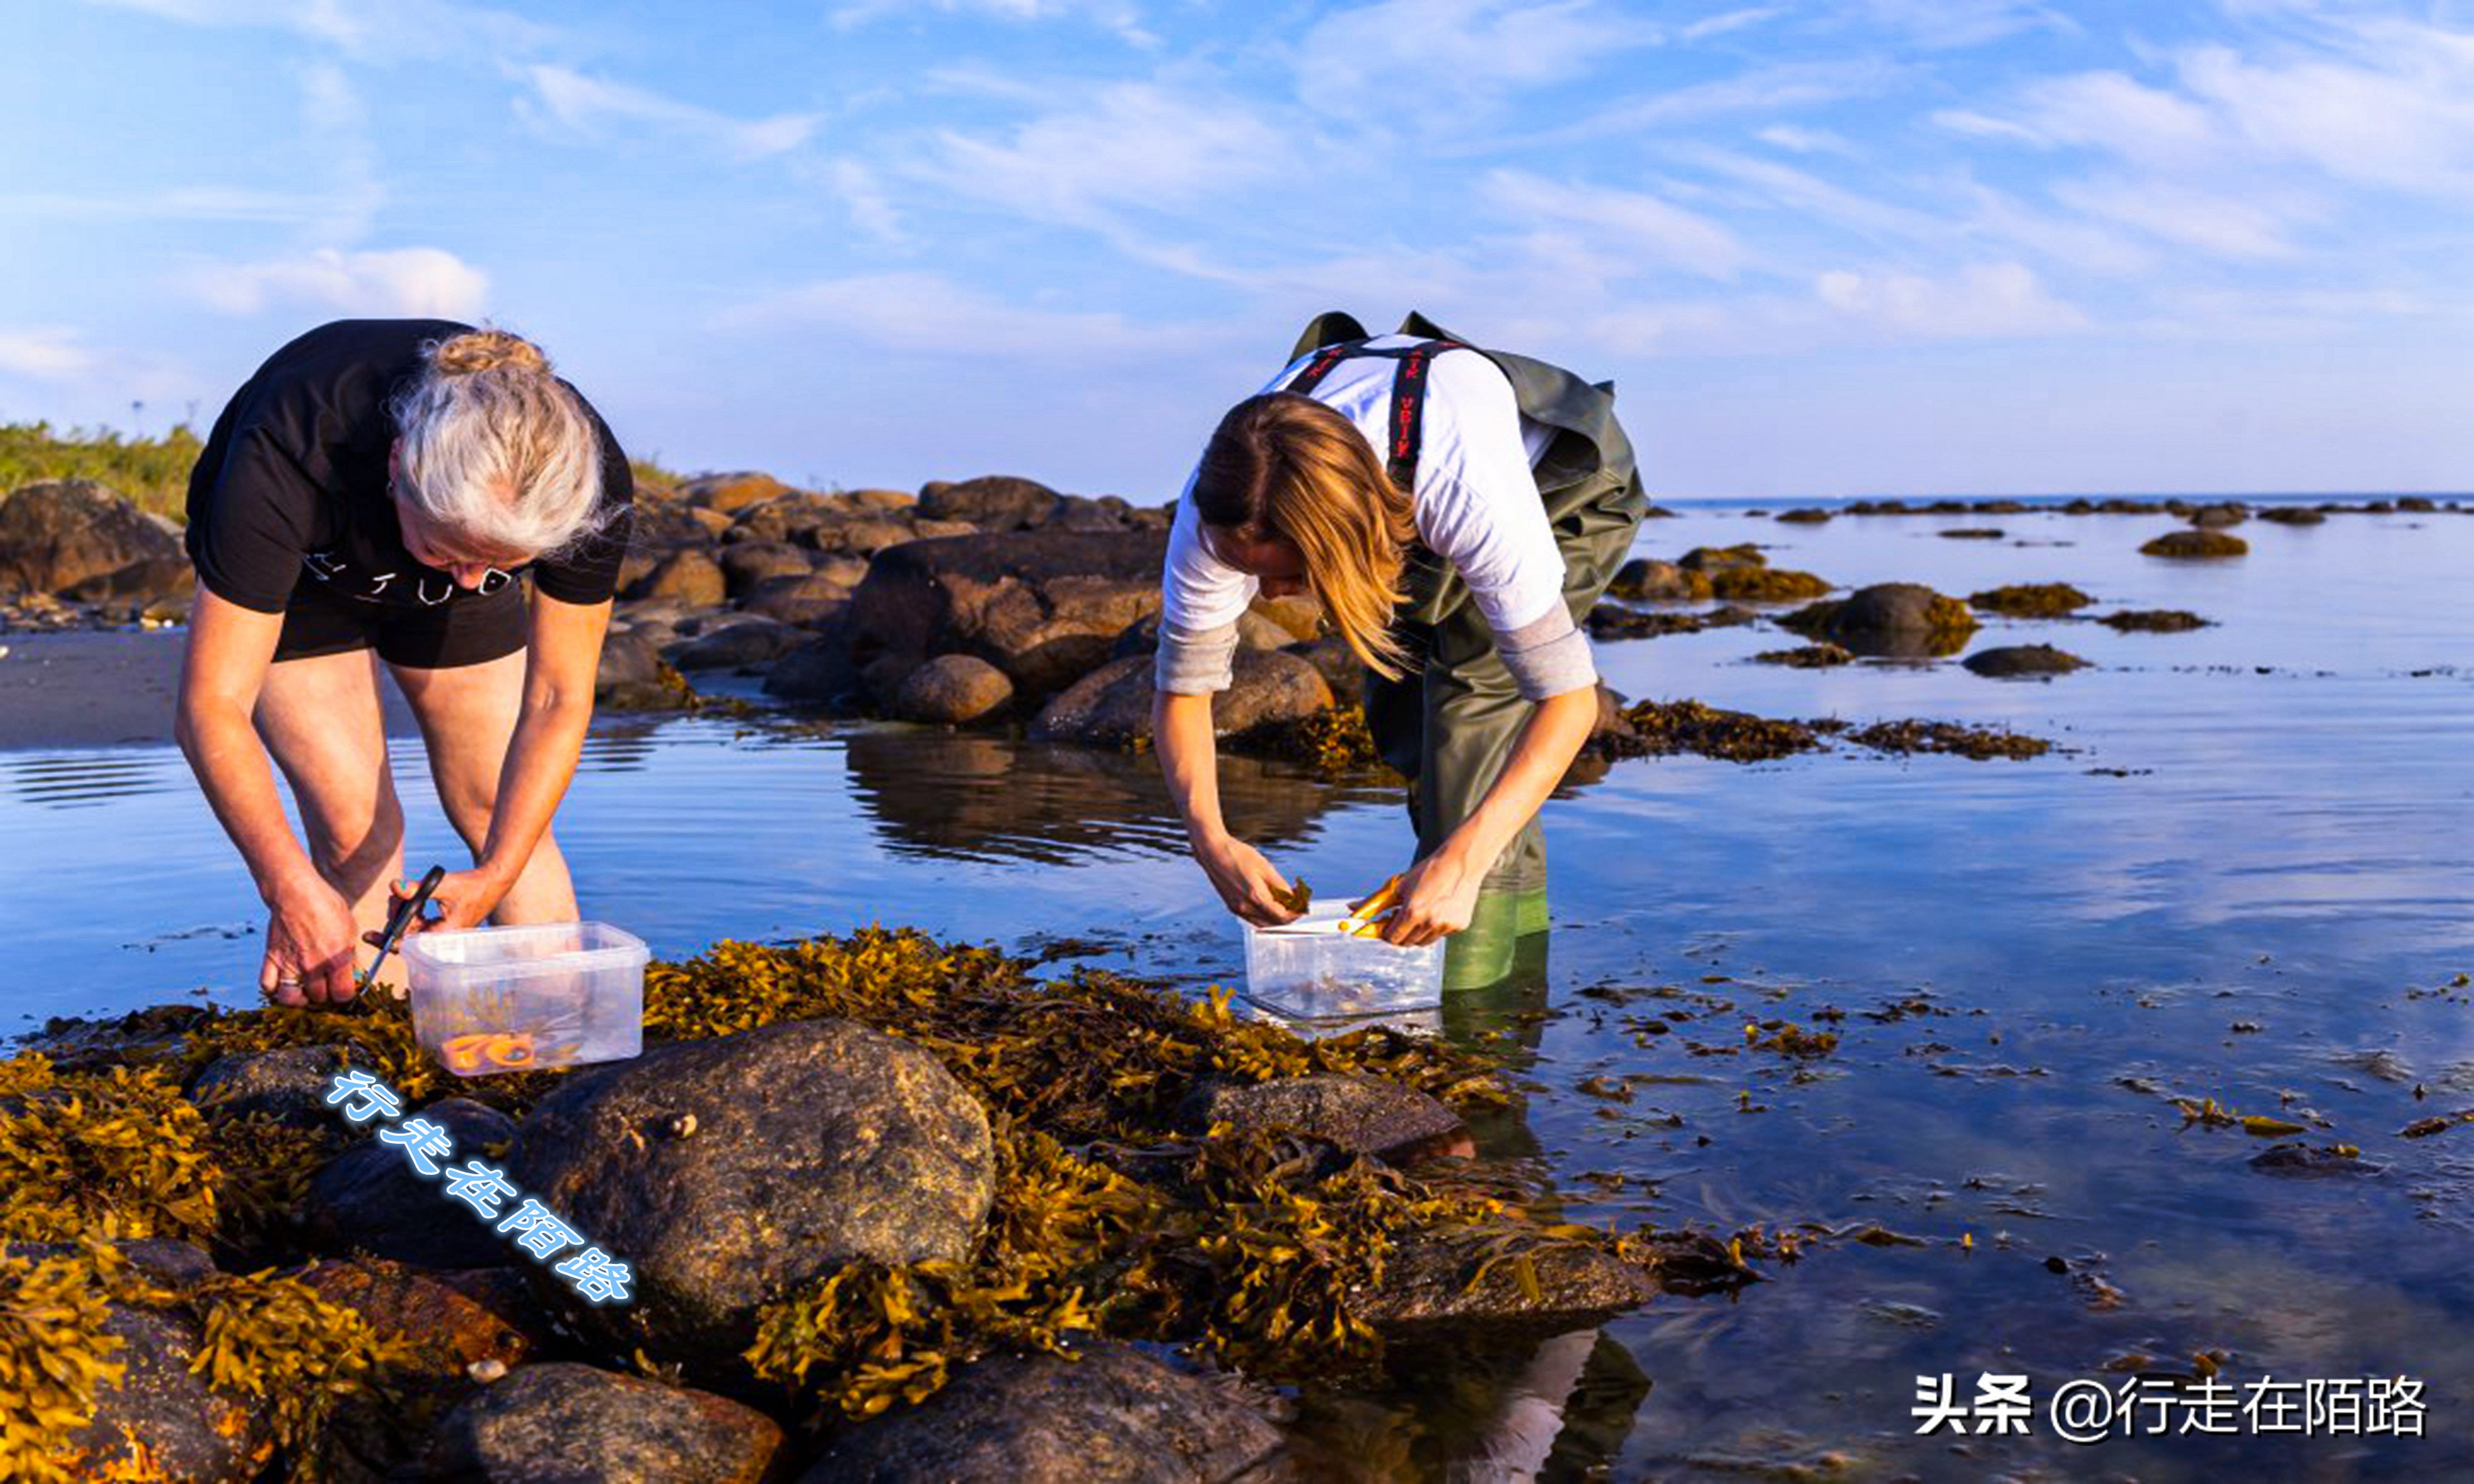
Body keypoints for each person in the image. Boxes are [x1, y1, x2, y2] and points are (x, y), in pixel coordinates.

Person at [1152, 311, 1646, 955]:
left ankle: (1488, 1006)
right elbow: (1184, 692)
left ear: (1342, 546)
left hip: (1563, 486)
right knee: (1404, 714)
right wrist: (1211, 841)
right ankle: (1444, 908)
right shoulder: (1221, 509)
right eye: (1251, 573)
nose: (1270, 598)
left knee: (1471, 716)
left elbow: (1568, 702)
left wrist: (1465, 860)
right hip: (1387, 484)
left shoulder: (1469, 493)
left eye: (1291, 574)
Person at [174, 319, 634, 1008]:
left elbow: (558, 700)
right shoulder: (291, 446)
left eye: (506, 566)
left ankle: (559, 1035)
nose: (475, 582)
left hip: (456, 532)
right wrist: (287, 885)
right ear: (397, 469)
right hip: (305, 582)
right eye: (455, 554)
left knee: (498, 807)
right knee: (359, 829)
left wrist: (498, 871)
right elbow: (212, 706)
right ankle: (368, 1047)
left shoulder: (578, 480)